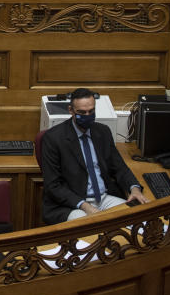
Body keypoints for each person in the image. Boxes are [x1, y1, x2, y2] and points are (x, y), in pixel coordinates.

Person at [41, 88, 148, 224]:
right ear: (71, 110)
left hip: (103, 198)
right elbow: (53, 185)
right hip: (73, 204)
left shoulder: (102, 132)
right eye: (81, 112)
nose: (87, 115)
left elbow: (119, 167)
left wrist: (135, 189)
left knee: (139, 220)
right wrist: (86, 207)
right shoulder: (53, 138)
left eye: (91, 111)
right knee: (91, 230)